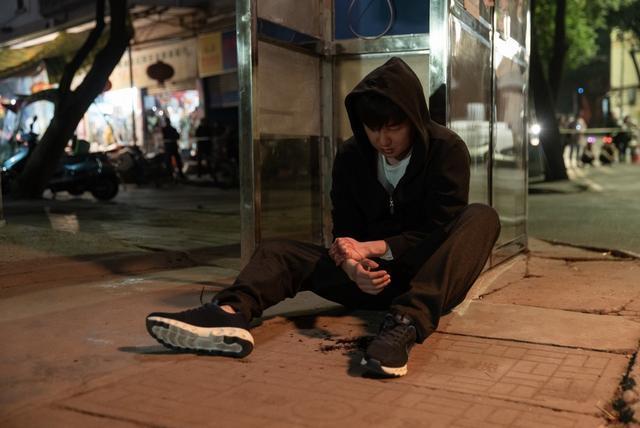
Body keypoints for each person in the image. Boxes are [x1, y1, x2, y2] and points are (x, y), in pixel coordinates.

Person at [145, 57, 501, 378]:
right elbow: (344, 229)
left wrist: (373, 247)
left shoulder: (446, 150)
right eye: (372, 128)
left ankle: (403, 325)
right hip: (366, 280)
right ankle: (228, 313)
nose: (383, 139)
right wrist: (350, 266)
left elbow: (438, 229)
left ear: (414, 118)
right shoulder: (352, 156)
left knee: (482, 217)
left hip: (427, 283)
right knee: (278, 252)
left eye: (393, 127)